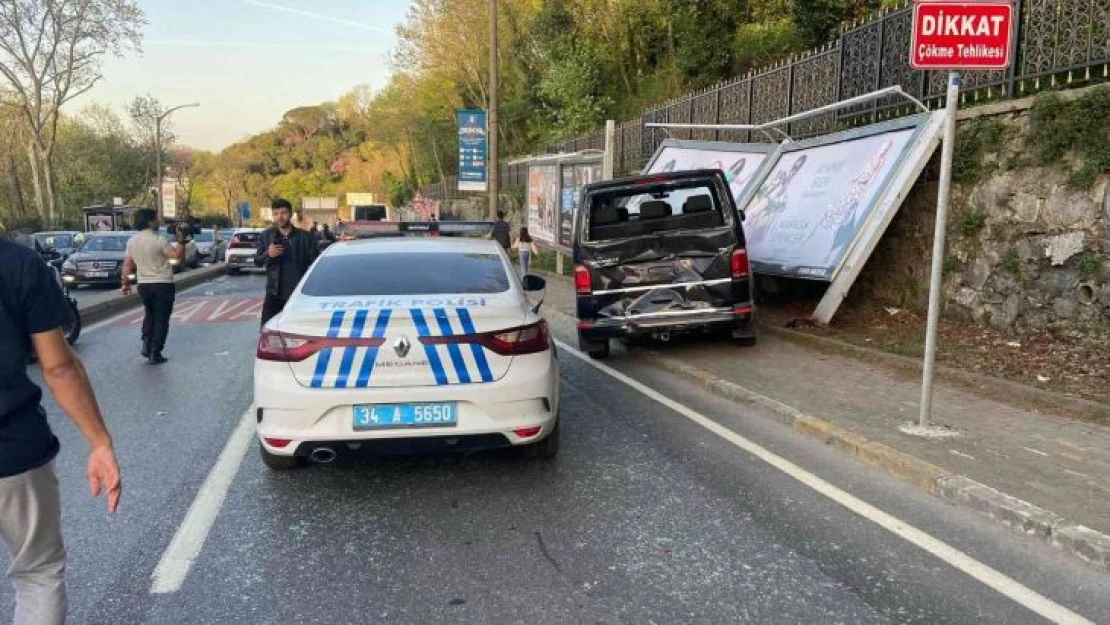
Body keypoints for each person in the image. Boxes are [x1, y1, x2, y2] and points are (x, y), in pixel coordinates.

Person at [0, 227, 122, 625]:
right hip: (13, 450)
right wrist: (99, 442)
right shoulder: (18, 265)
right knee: (37, 573)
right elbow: (59, 366)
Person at [121, 209, 186, 365]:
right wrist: (182, 242)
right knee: (162, 318)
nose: (158, 221)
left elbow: (127, 264)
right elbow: (176, 257)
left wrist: (125, 283)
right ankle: (155, 352)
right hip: (162, 283)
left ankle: (146, 343)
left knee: (149, 314)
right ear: (149, 221)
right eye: (156, 219)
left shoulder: (132, 241)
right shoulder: (159, 240)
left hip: (143, 285)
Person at [256, 199, 319, 327]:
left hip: (299, 295)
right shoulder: (266, 236)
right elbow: (257, 262)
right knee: (267, 331)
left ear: (290, 214)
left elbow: (316, 265)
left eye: (283, 213)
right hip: (274, 294)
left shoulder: (305, 237)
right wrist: (268, 254)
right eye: (276, 213)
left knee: (299, 332)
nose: (280, 217)